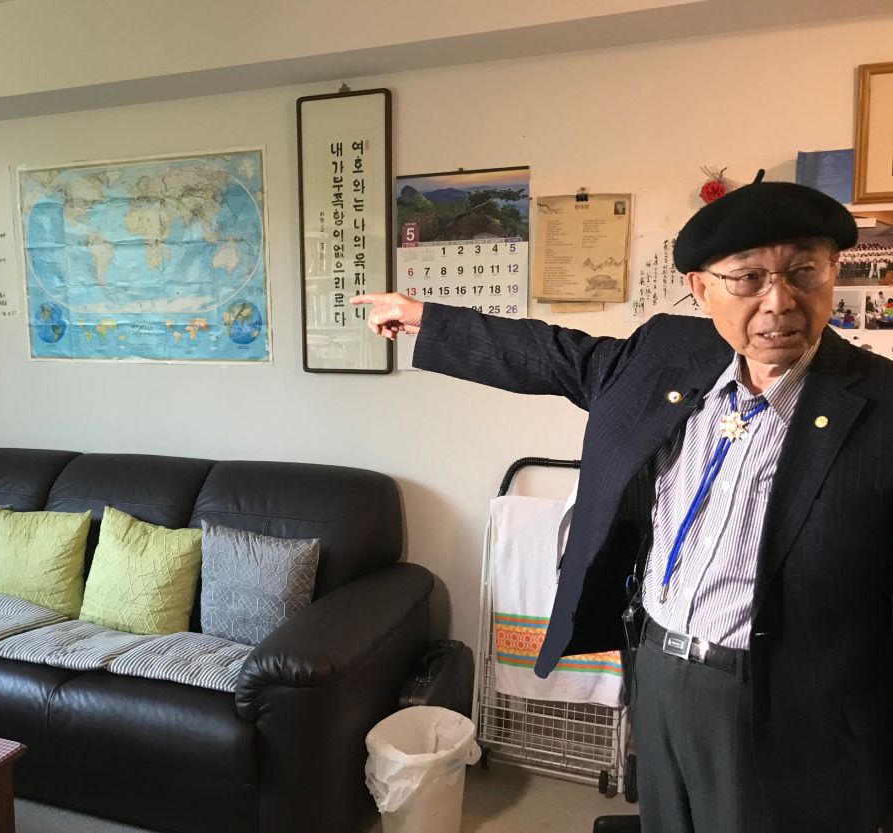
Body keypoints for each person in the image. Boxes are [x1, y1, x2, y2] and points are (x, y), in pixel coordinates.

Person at [352, 175, 892, 833]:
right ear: (702, 287)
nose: (778, 302)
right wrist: (424, 318)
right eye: (748, 279)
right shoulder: (667, 353)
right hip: (659, 667)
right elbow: (553, 355)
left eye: (804, 272)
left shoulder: (879, 406)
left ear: (833, 270)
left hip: (790, 702)